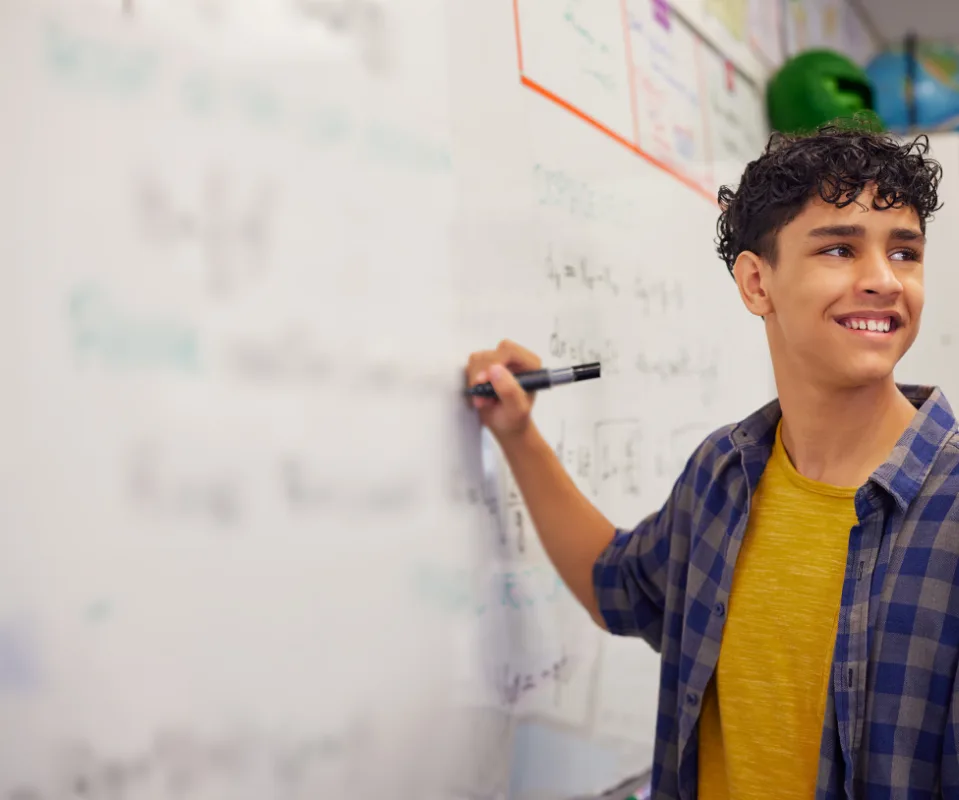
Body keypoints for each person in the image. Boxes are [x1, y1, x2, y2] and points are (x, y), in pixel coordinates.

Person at [465, 123, 959, 799]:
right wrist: (517, 434)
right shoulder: (723, 476)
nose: (882, 280)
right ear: (756, 283)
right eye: (839, 248)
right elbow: (616, 586)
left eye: (904, 253)